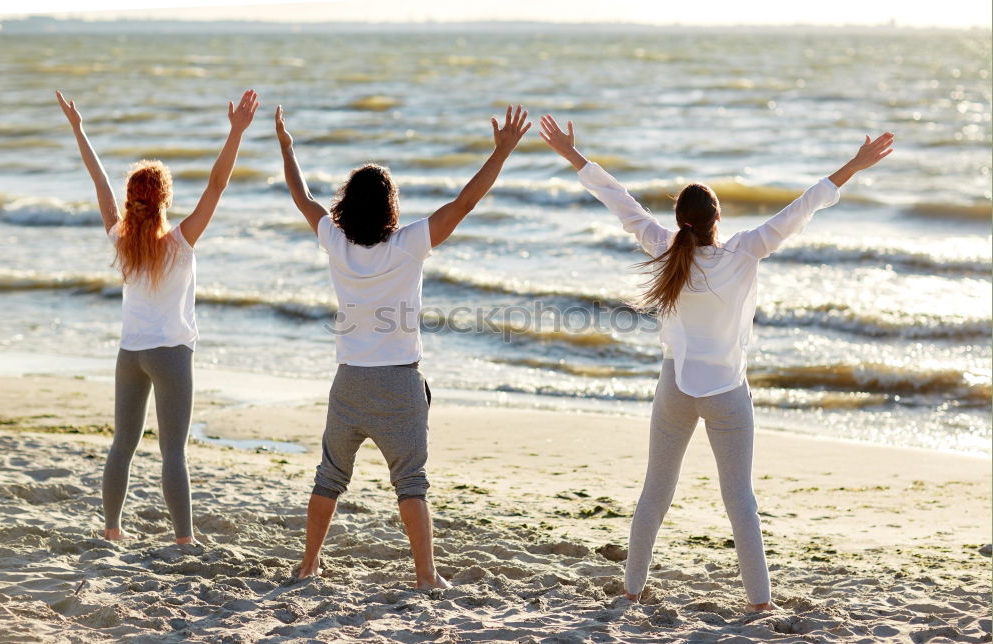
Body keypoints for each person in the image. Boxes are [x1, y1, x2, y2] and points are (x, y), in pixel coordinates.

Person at [539, 113, 894, 610]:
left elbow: (619, 201)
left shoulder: (664, 246)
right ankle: (759, 603)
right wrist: (853, 166)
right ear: (717, 219)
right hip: (728, 393)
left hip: (675, 389)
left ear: (682, 219)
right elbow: (804, 206)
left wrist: (573, 155)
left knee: (655, 492)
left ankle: (632, 589)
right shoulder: (746, 251)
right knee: (739, 501)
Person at [276, 103, 531, 589]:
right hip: (399, 383)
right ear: (391, 206)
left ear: (347, 207)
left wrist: (287, 148)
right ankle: (426, 576)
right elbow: (464, 203)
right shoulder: (409, 244)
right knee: (411, 485)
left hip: (349, 381)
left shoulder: (335, 242)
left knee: (329, 478)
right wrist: (501, 153)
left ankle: (308, 564)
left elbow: (300, 195)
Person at [56, 89, 260, 544]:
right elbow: (216, 186)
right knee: (173, 452)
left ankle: (112, 531)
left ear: (133, 201)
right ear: (165, 198)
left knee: (122, 446)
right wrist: (237, 133)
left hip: (130, 355)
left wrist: (79, 129)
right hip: (170, 355)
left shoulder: (120, 239)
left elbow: (100, 182)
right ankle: (184, 539)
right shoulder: (180, 243)